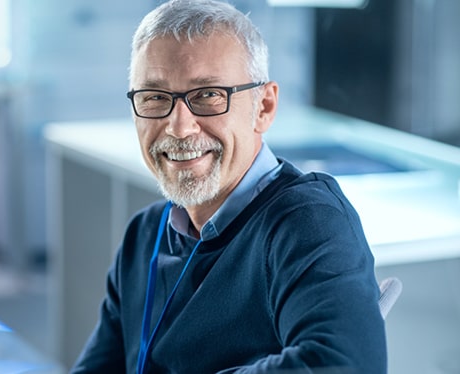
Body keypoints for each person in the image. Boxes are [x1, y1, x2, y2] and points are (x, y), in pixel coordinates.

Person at [70, 0, 387, 373]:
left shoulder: (306, 224)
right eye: (155, 97)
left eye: (208, 95)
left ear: (264, 107)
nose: (179, 127)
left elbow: (342, 365)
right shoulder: (145, 235)